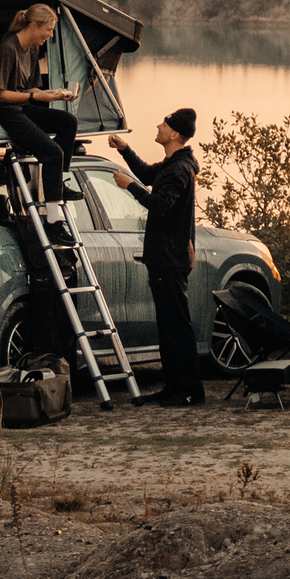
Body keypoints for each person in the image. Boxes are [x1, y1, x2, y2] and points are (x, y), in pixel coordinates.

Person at [108, 109, 204, 407]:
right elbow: (150, 174)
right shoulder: (172, 164)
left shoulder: (179, 169)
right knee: (167, 325)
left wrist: (130, 187)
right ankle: (174, 386)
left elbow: (159, 205)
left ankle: (189, 391)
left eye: (164, 124)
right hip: (163, 256)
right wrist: (125, 150)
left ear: (175, 134)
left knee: (177, 325)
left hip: (170, 257)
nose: (158, 126)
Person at [0, 3, 83, 247]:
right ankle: (53, 223)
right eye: (49, 30)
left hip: (23, 107)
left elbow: (30, 89)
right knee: (52, 152)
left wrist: (54, 95)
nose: (50, 36)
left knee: (68, 121)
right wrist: (36, 98)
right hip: (6, 112)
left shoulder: (31, 49)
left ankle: (59, 184)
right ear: (34, 25)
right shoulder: (7, 49)